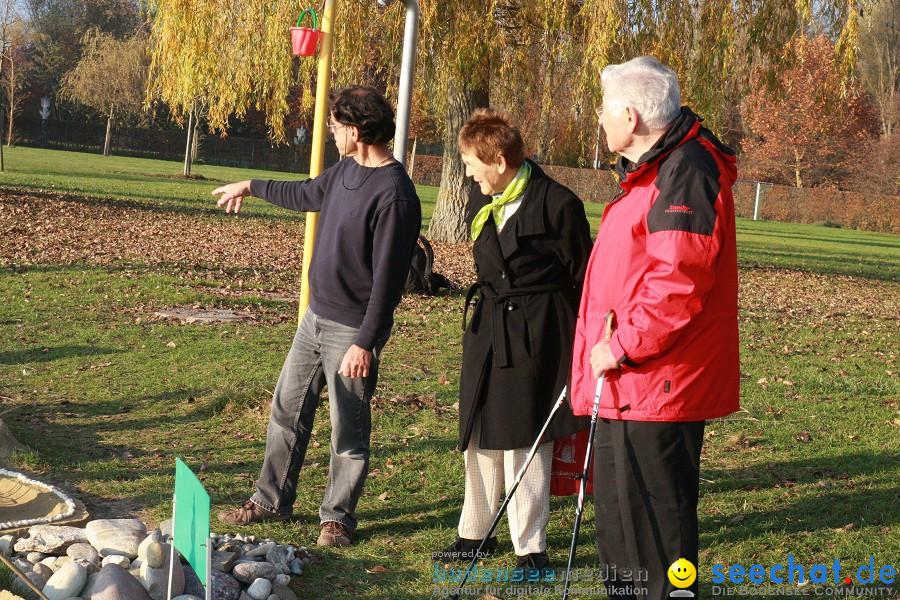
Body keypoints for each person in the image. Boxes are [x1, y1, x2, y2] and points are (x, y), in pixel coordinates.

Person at [212, 86, 422, 548]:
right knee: (287, 410)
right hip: (314, 319)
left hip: (352, 330)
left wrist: (365, 342)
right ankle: (270, 500)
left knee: (348, 426)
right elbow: (307, 193)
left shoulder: (395, 194)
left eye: (333, 125)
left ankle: (337, 518)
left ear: (354, 129)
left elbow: (389, 282)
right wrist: (251, 185)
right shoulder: (346, 168)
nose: (329, 132)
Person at [570, 56, 740, 599]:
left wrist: (621, 345)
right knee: (620, 525)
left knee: (656, 534)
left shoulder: (687, 168)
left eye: (603, 110)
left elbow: (678, 280)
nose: (599, 120)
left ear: (630, 114)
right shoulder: (651, 171)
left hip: (658, 379)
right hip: (630, 380)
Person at [437, 108, 592, 571]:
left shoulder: (558, 203)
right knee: (479, 432)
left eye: (470, 162)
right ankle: (475, 535)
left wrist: (580, 345)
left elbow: (586, 277)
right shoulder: (488, 200)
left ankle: (530, 546)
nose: (466, 171)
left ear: (499, 160)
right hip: (488, 331)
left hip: (536, 335)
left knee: (527, 437)